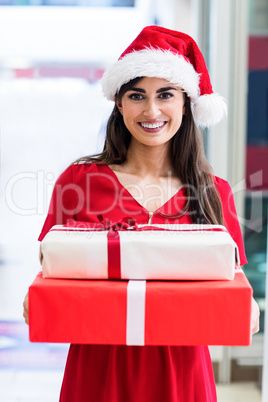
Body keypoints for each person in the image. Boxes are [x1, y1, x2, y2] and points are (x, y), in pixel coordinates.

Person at [23, 26, 260, 401]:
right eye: (137, 96)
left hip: (181, 371)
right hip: (99, 367)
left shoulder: (214, 192)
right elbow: (49, 269)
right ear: (119, 104)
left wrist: (246, 308)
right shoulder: (79, 181)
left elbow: (234, 284)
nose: (151, 111)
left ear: (186, 102)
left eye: (165, 94)